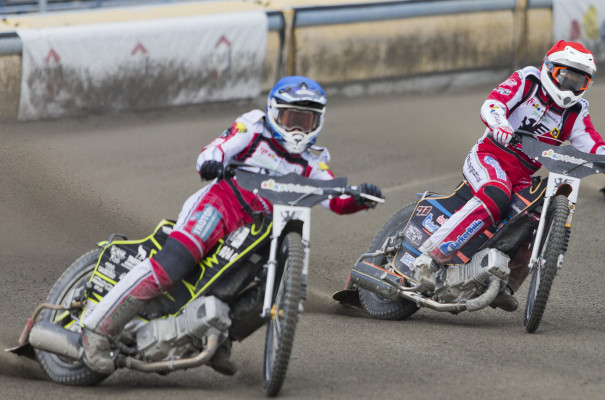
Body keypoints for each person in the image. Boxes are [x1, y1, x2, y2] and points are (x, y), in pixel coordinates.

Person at [80, 76, 383, 374]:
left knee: (268, 286)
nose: (297, 128)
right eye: (291, 118)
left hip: (261, 229)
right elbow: (215, 149)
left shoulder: (314, 161)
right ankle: (97, 330)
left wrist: (361, 196)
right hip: (222, 204)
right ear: (274, 112)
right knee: (174, 263)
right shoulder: (254, 127)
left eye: (305, 121)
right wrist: (211, 162)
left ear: (318, 122)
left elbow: (334, 199)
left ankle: (218, 339)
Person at [411, 40, 605, 311]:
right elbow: (494, 103)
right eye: (565, 77)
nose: (569, 86)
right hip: (490, 155)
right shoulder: (527, 80)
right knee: (495, 194)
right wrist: (499, 124)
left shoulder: (577, 112)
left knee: (535, 214)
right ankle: (430, 258)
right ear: (549, 68)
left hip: (522, 174)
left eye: (578, 81)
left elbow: (593, 145)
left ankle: (506, 284)